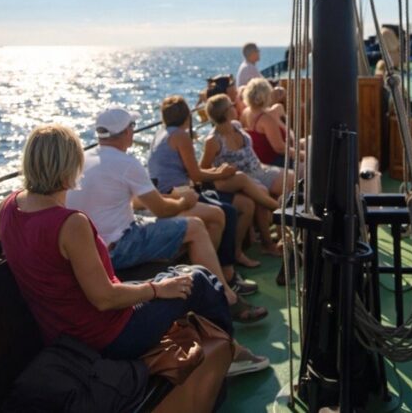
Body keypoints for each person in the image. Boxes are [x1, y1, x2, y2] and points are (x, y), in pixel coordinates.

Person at [0, 124, 232, 411]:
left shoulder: (9, 207)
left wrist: (21, 247)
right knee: (199, 280)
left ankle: (222, 357)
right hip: (107, 337)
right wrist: (156, 290)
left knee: (175, 279)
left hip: (63, 335)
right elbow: (103, 298)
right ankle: (228, 356)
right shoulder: (69, 223)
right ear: (71, 166)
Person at [67, 106, 267, 324]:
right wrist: (184, 201)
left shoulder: (82, 159)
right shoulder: (126, 163)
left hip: (94, 247)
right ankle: (226, 296)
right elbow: (161, 210)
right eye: (132, 127)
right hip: (121, 245)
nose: (133, 131)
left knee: (191, 225)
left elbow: (121, 200)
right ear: (126, 132)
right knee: (196, 226)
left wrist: (168, 199)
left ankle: (200, 286)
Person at [147, 95, 263, 281]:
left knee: (245, 204)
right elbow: (196, 175)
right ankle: (227, 272)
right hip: (178, 195)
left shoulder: (161, 134)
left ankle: (234, 257)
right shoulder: (181, 136)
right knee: (229, 212)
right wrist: (221, 173)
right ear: (187, 117)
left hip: (170, 191)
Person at [202, 93, 294, 256]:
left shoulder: (236, 125)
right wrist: (221, 172)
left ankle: (284, 234)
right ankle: (269, 243)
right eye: (231, 105)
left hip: (259, 169)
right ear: (225, 112)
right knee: (261, 193)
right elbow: (203, 169)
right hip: (241, 177)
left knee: (292, 178)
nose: (234, 106)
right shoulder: (213, 141)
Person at [240, 77, 294, 168]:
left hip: (258, 159)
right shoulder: (266, 119)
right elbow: (280, 148)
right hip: (273, 161)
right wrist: (303, 155)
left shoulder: (245, 113)